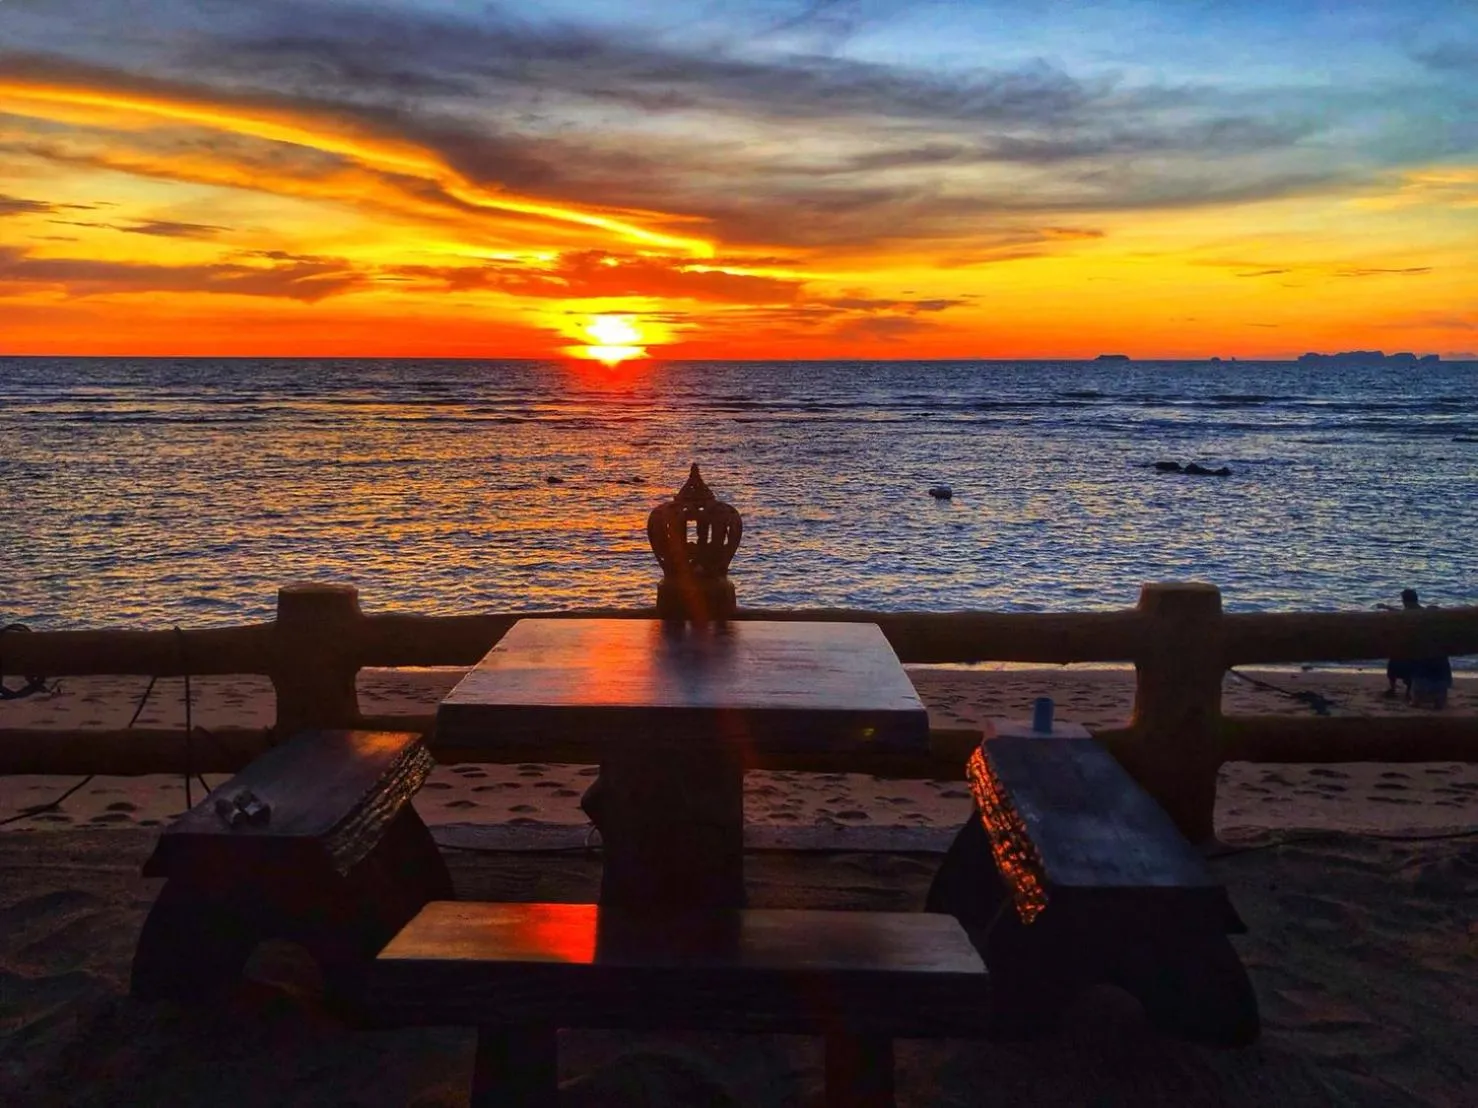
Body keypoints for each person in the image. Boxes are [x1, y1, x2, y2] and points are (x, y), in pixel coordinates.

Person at [1383, 589, 1422, 699]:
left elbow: (1401, 614)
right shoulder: (1421, 611)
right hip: (1416, 648)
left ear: (1405, 601)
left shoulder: (1408, 613)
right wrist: (1387, 607)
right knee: (1409, 669)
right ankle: (1407, 691)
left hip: (1408, 648)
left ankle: (1393, 689)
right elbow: (1401, 612)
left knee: (1393, 665)